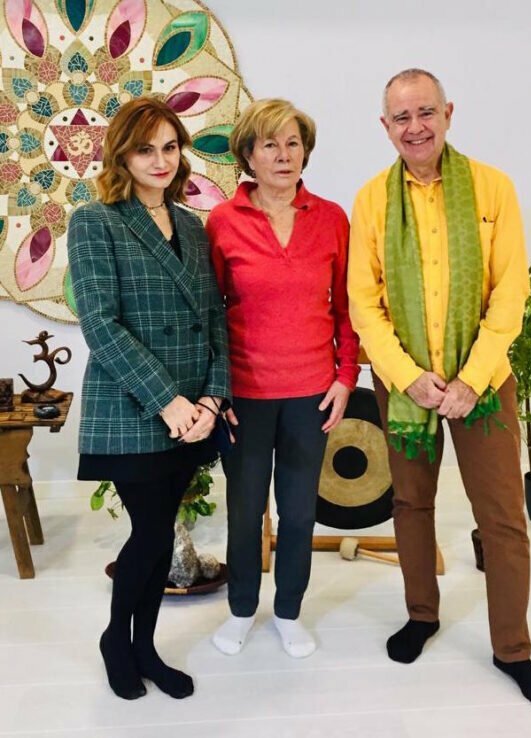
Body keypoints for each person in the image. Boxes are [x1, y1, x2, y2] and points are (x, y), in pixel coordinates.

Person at [347, 69, 531, 710]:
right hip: (405, 385)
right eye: (401, 117)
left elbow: (511, 292)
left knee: (503, 519)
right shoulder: (371, 201)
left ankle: (513, 649)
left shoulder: (494, 188)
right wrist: (407, 375)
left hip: (483, 385)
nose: (415, 127)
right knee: (411, 504)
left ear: (448, 113)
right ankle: (421, 615)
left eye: (425, 113)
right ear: (385, 127)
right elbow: (364, 304)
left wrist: (471, 379)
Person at [68, 97, 230, 700]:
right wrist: (169, 403)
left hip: (193, 412)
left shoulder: (192, 224)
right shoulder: (96, 220)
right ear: (122, 154)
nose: (161, 160)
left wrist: (211, 399)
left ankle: (145, 648)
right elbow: (100, 324)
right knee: (151, 532)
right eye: (146, 149)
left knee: (161, 535)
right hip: (134, 407)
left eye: (170, 147)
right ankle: (118, 641)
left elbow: (215, 319)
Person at [206, 98, 360, 658]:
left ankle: (289, 611)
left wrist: (346, 377)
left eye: (293, 143)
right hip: (244, 396)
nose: (283, 155)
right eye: (270, 144)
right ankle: (242, 609)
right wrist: (217, 390)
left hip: (311, 394)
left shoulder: (332, 218)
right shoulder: (223, 222)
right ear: (248, 155)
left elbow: (346, 308)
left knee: (299, 512)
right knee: (246, 511)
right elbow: (211, 313)